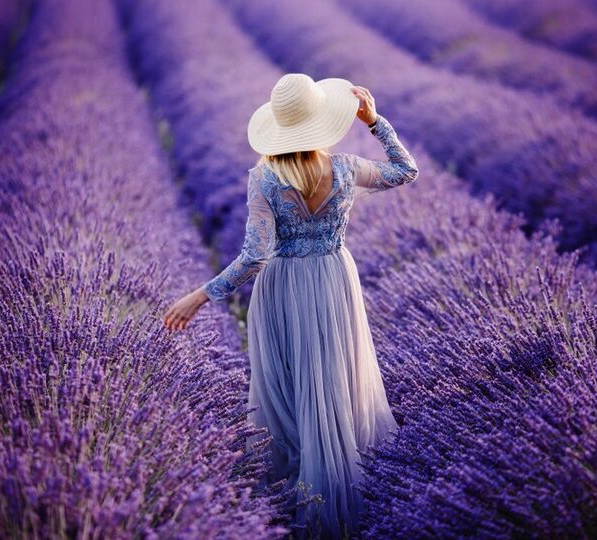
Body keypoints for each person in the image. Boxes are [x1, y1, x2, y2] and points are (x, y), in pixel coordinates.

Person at [163, 72, 419, 538]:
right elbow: (406, 171)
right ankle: (351, 501)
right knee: (334, 384)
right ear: (322, 120)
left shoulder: (264, 178)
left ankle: (300, 503)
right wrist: (375, 122)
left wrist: (200, 295)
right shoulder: (344, 168)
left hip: (283, 290)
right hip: (334, 283)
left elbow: (255, 257)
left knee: (292, 392)